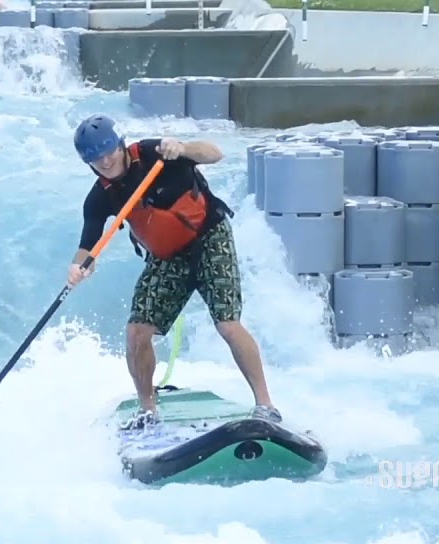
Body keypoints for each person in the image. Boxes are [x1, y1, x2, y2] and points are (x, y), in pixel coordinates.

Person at [66, 114, 281, 431]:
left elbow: (214, 153)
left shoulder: (155, 153)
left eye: (108, 150)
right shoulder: (101, 197)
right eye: (96, 157)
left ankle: (266, 406)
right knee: (136, 333)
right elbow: (88, 246)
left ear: (120, 143)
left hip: (210, 238)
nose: (106, 160)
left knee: (228, 324)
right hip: (168, 258)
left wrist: (181, 148)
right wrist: (78, 267)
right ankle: (148, 412)